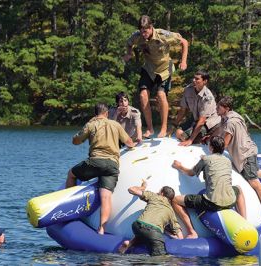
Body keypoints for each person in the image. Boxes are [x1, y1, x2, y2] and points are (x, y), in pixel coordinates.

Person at [66, 103, 135, 234]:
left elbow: (75, 141)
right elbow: (130, 143)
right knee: (106, 196)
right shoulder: (116, 125)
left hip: (95, 162)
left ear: (95, 113)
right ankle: (102, 228)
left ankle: (69, 209)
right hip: (112, 165)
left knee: (71, 174)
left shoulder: (91, 125)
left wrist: (87, 125)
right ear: (107, 113)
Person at [123, 15, 189, 139]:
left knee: (160, 95)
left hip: (165, 69)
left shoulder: (163, 35)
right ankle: (150, 128)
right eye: (142, 31)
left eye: (146, 31)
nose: (144, 34)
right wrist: (129, 54)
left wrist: (183, 61)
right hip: (149, 68)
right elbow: (129, 44)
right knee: (143, 95)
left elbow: (184, 42)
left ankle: (163, 128)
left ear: (151, 27)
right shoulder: (136, 36)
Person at [171, 136, 246, 239]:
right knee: (239, 189)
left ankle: (192, 232)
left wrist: (179, 166)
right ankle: (244, 221)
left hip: (212, 203)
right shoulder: (227, 160)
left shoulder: (206, 159)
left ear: (211, 147)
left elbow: (191, 173)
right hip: (230, 200)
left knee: (175, 200)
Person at [118, 180, 183, 255]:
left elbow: (131, 189)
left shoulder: (153, 196)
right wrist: (171, 235)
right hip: (153, 231)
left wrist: (143, 187)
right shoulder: (171, 211)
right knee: (161, 258)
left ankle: (130, 243)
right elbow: (178, 233)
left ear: (162, 193)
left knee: (144, 234)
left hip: (137, 226)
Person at [171, 70, 221, 146]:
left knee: (183, 136)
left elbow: (202, 121)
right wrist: (174, 124)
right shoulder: (188, 90)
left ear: (205, 81)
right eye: (194, 78)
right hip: (195, 118)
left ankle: (207, 137)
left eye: (197, 79)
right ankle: (198, 136)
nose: (194, 80)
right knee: (178, 131)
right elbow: (183, 110)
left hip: (208, 122)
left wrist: (190, 140)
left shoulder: (208, 97)